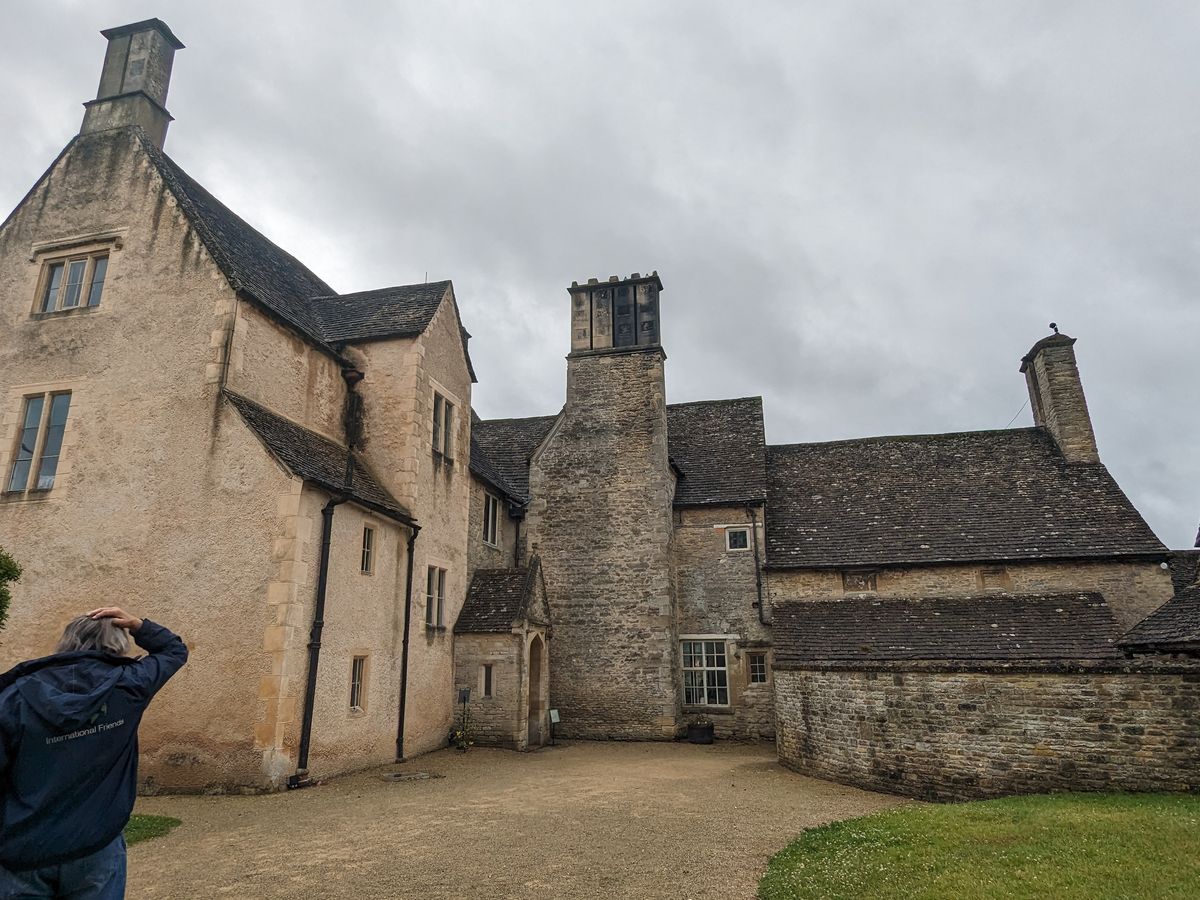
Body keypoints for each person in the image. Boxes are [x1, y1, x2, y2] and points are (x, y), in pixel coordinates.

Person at [0, 607, 188, 899]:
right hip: (95, 843)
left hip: (26, 848)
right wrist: (138, 626)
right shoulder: (130, 684)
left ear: (66, 641)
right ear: (118, 645)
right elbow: (173, 650)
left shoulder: (14, 696)